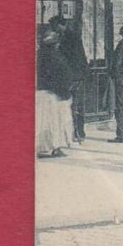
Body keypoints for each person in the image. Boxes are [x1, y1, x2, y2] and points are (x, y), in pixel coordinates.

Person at [35, 25, 76, 158]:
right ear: (55, 44)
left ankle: (40, 147)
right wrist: (65, 91)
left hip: (40, 92)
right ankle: (55, 147)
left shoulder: (38, 55)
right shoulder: (57, 57)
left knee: (40, 121)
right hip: (54, 94)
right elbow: (62, 76)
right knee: (55, 122)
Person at [49, 13, 89, 141]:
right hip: (73, 75)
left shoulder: (71, 37)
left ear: (60, 25)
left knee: (76, 105)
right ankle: (75, 133)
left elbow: (74, 58)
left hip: (74, 76)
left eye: (54, 25)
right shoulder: (65, 36)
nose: (53, 28)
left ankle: (78, 133)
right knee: (72, 105)